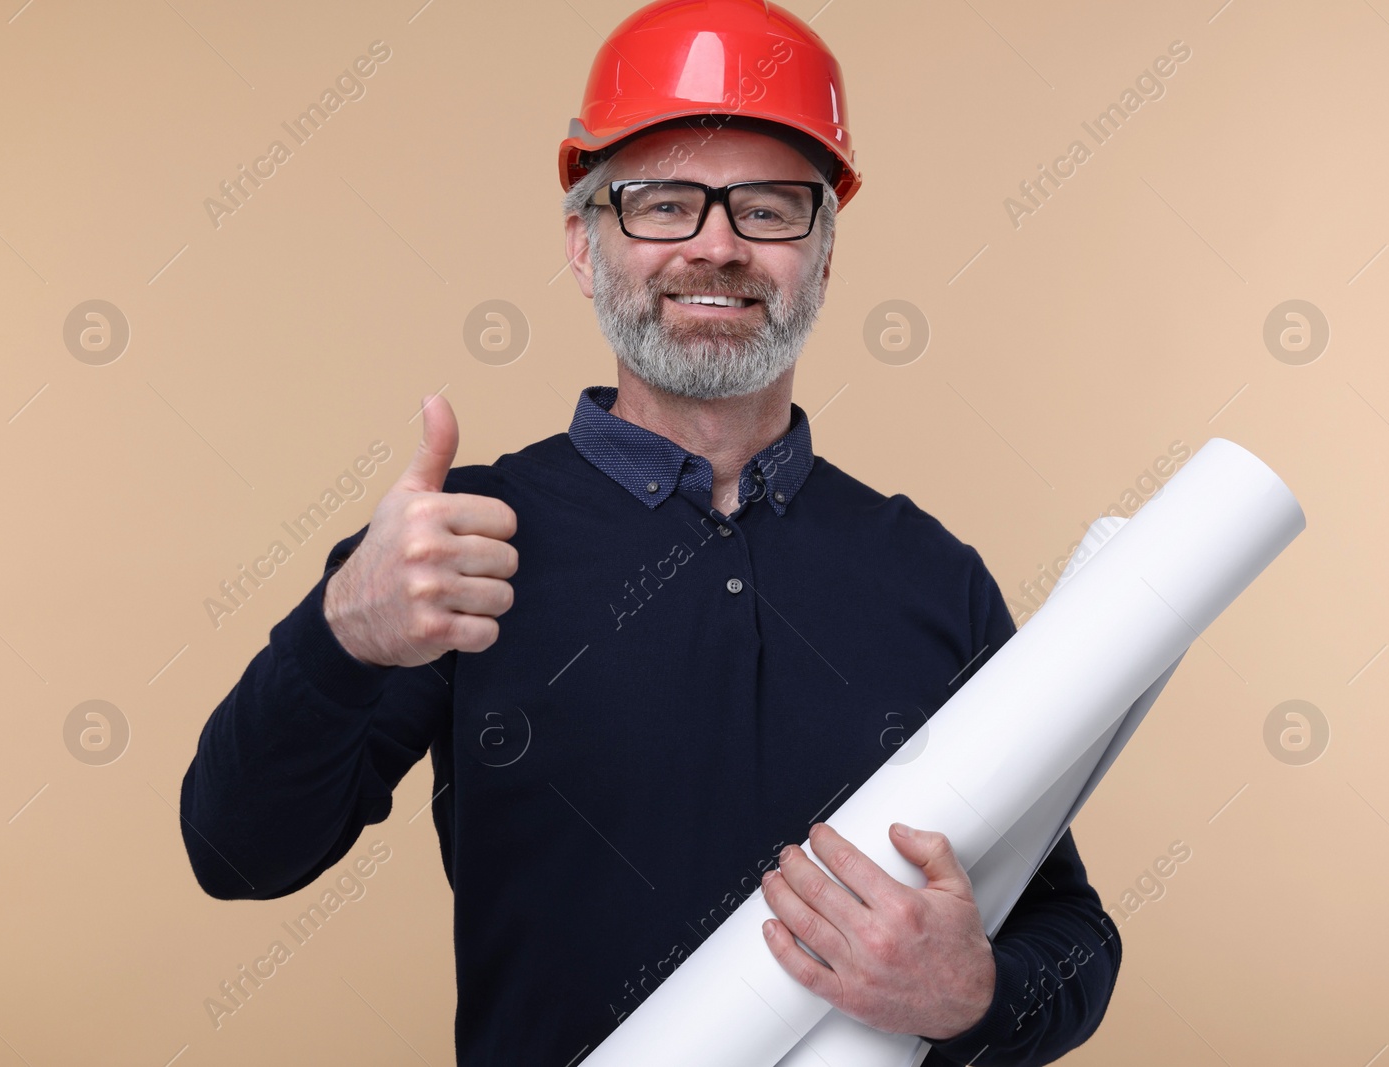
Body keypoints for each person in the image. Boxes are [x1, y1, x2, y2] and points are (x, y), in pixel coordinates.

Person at [179, 1, 1120, 1062]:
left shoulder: (930, 577)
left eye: (768, 208)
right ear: (585, 247)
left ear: (821, 254)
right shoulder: (456, 549)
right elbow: (237, 852)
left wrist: (974, 991)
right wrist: (337, 632)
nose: (716, 245)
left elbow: (1073, 929)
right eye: (663, 203)